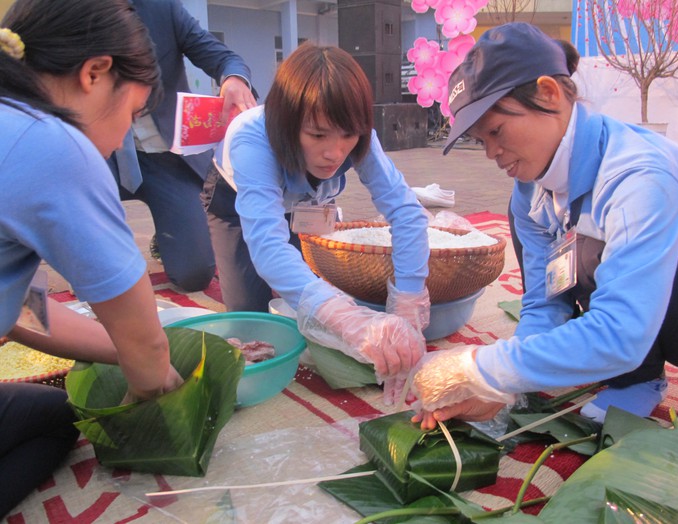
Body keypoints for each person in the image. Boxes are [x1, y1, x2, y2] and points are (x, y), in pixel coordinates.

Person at [410, 22, 678, 429]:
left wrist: (479, 367)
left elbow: (621, 333)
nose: (492, 152)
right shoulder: (529, 192)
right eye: (481, 139)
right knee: (578, 251)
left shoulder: (641, 180)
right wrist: (500, 386)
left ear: (549, 93)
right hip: (649, 302)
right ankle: (634, 374)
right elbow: (546, 300)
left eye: (496, 131)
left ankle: (636, 372)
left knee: (586, 248)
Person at [0, 0, 184, 516]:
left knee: (57, 420)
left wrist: (137, 351)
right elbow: (144, 342)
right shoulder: (52, 145)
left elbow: (18, 308)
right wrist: (159, 380)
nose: (125, 135)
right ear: (94, 72)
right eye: (130, 113)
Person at [204, 43, 431, 404]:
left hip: (309, 203)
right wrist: (348, 320)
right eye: (317, 135)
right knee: (251, 319)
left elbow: (406, 212)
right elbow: (267, 245)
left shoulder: (358, 135)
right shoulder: (252, 138)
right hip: (236, 202)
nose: (335, 152)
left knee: (315, 290)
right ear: (287, 124)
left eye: (347, 135)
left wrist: (408, 301)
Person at [108, 0, 257, 292]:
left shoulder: (162, 9)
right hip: (101, 157)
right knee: (97, 271)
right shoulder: (64, 12)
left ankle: (169, 234)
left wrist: (234, 79)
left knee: (194, 274)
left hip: (167, 160)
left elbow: (224, 58)